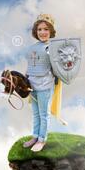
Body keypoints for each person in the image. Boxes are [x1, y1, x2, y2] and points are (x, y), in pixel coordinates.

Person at [22, 14, 57, 152]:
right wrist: (25, 78)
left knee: (44, 114)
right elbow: (31, 65)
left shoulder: (53, 48)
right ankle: (35, 136)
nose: (42, 32)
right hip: (32, 84)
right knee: (35, 113)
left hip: (45, 85)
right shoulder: (32, 47)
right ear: (36, 31)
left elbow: (59, 66)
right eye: (40, 29)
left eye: (46, 29)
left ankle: (42, 139)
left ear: (51, 31)